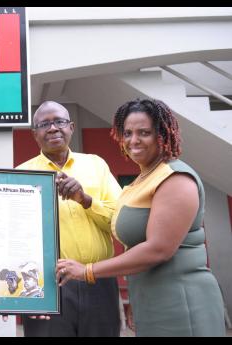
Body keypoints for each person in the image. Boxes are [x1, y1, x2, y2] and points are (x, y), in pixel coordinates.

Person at [56, 98, 226, 336]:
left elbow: (159, 249)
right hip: (151, 296)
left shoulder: (175, 178)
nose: (133, 140)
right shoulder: (141, 180)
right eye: (127, 133)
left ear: (162, 135)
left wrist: (87, 270)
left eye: (144, 132)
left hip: (181, 299)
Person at [17, 101, 122, 337]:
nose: (53, 128)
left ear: (71, 127)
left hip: (98, 279)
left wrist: (85, 199)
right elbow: (15, 238)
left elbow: (118, 223)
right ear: (35, 134)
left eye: (59, 121)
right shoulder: (21, 174)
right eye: (44, 124)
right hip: (48, 286)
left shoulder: (96, 165)